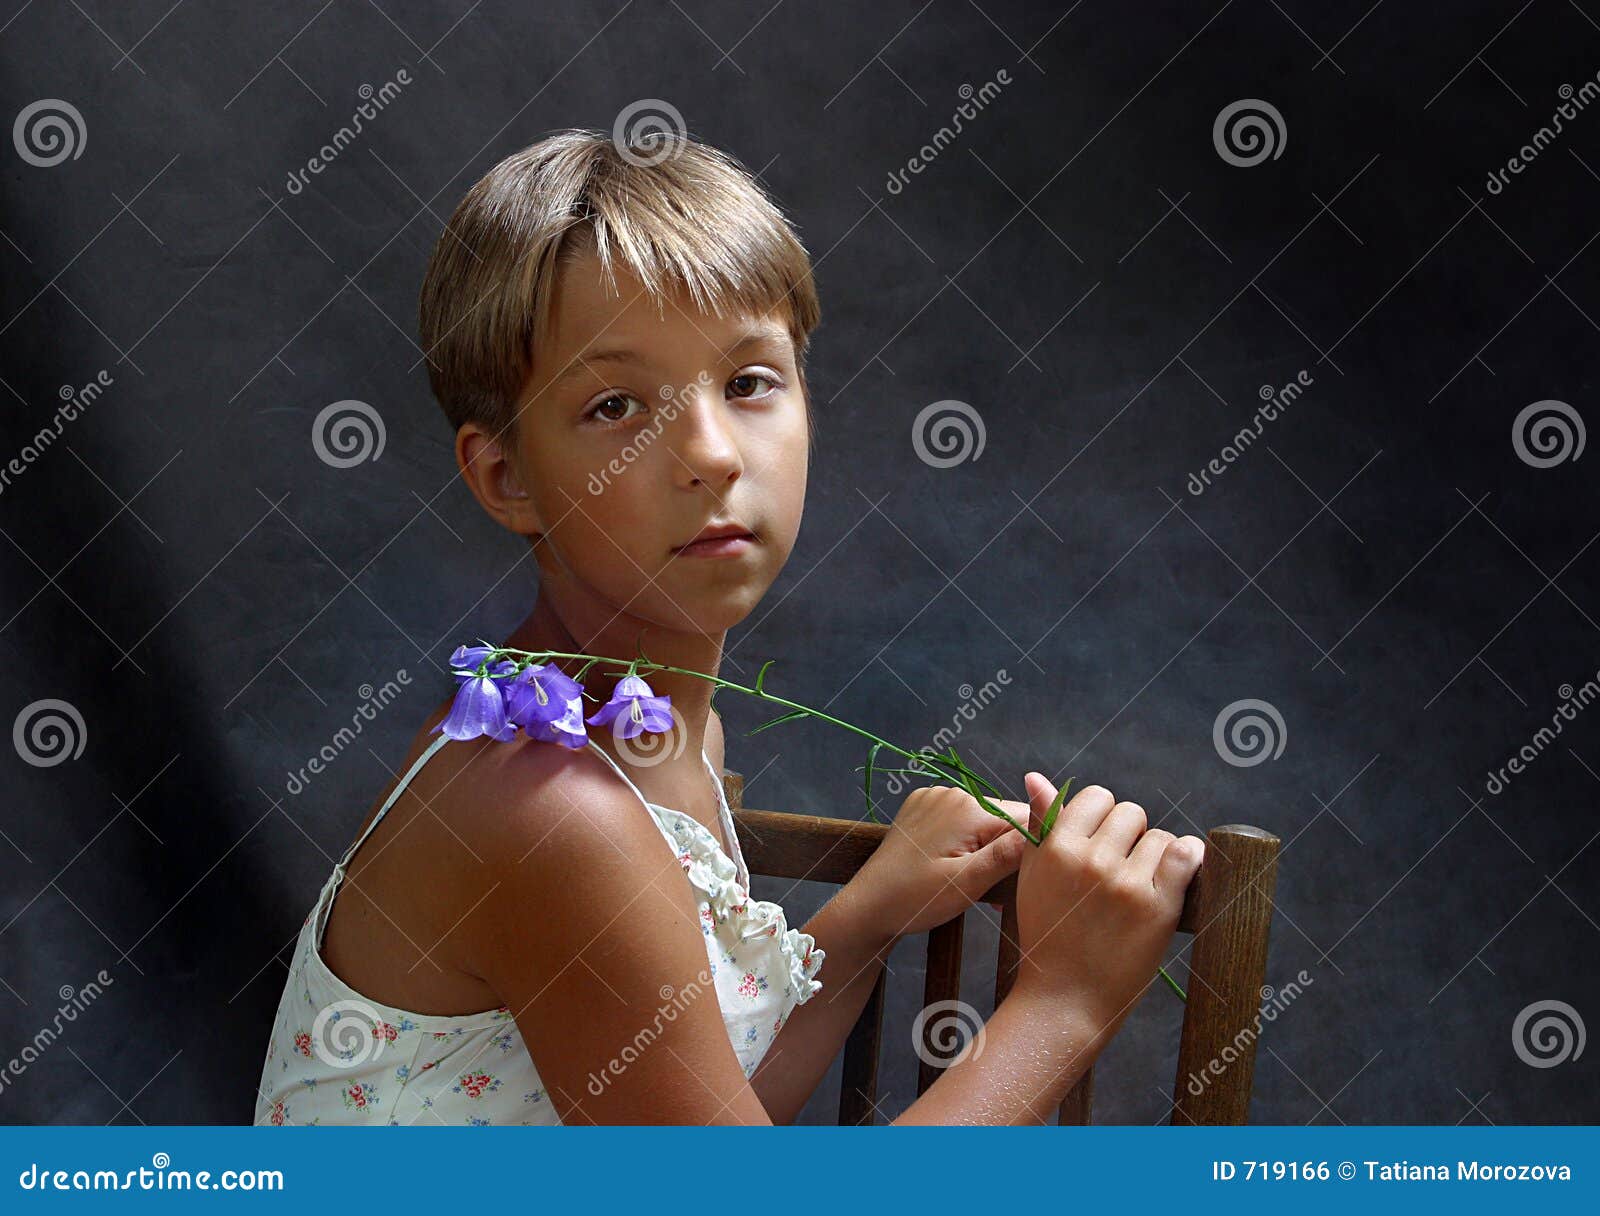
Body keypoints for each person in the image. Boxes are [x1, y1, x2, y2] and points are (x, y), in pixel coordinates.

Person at [253, 127, 1204, 1126]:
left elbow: (694, 1117)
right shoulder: (549, 813)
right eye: (616, 404)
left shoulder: (670, 735)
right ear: (507, 477)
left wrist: (866, 915)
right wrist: (1065, 1000)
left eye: (749, 381)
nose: (708, 453)